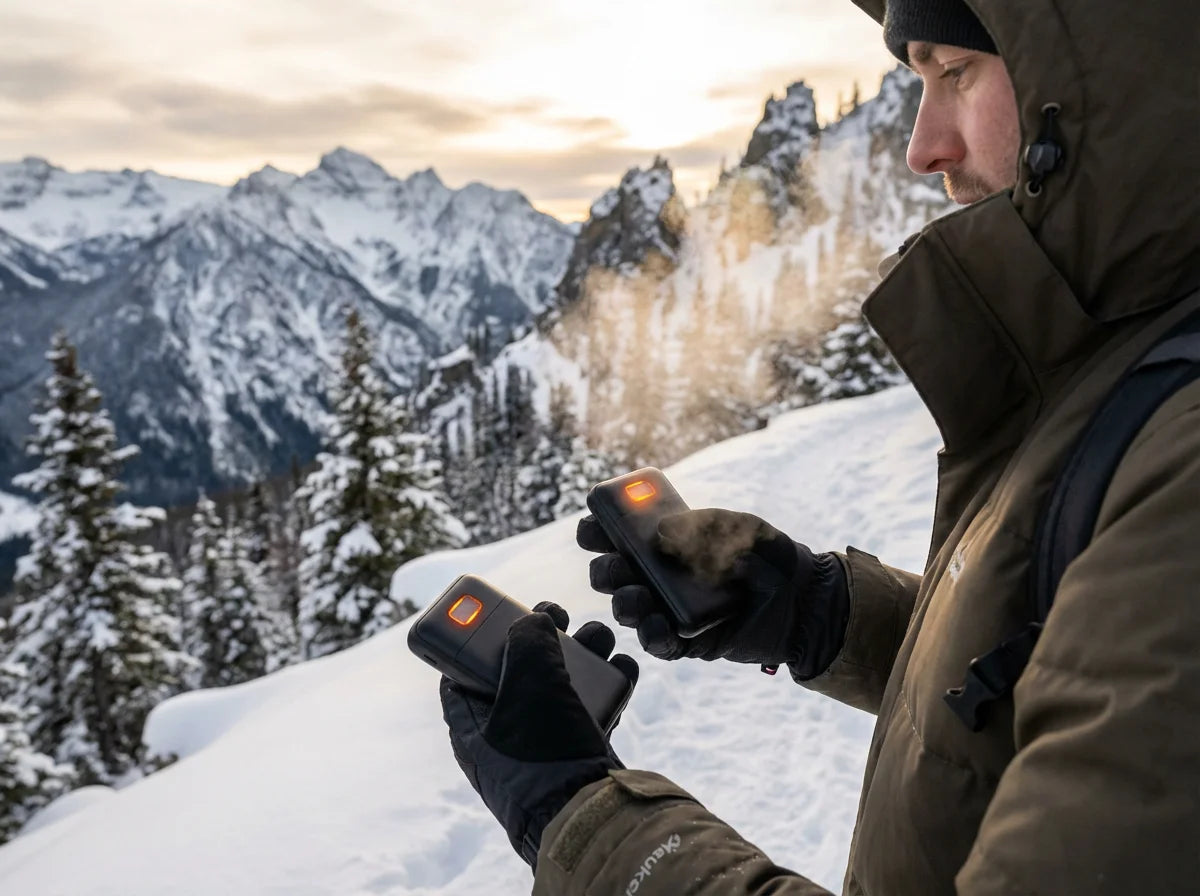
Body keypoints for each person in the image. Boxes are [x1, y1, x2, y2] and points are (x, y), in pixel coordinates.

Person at [440, 0, 1200, 892]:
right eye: (916, 83)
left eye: (954, 71)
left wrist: (585, 820)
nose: (923, 147)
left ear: (1118, 85)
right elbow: (1059, 669)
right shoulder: (1137, 370)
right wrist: (819, 613)